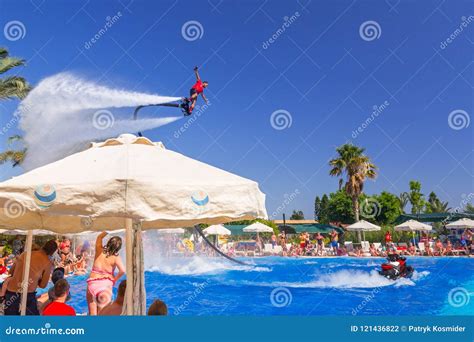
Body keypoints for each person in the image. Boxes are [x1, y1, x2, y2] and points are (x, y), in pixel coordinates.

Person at [4, 240, 57, 315]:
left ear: (43, 246)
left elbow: (11, 272)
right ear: (52, 252)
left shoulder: (25, 254)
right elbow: (43, 285)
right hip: (27, 295)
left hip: (11, 292)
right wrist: (37, 278)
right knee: (32, 322)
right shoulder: (47, 262)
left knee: (9, 322)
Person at [86, 232, 125, 315]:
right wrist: (114, 280)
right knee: (102, 315)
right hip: (104, 286)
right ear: (118, 248)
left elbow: (99, 236)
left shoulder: (99, 250)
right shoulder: (116, 258)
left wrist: (108, 228)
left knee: (92, 314)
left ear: (109, 242)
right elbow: (122, 271)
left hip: (92, 283)